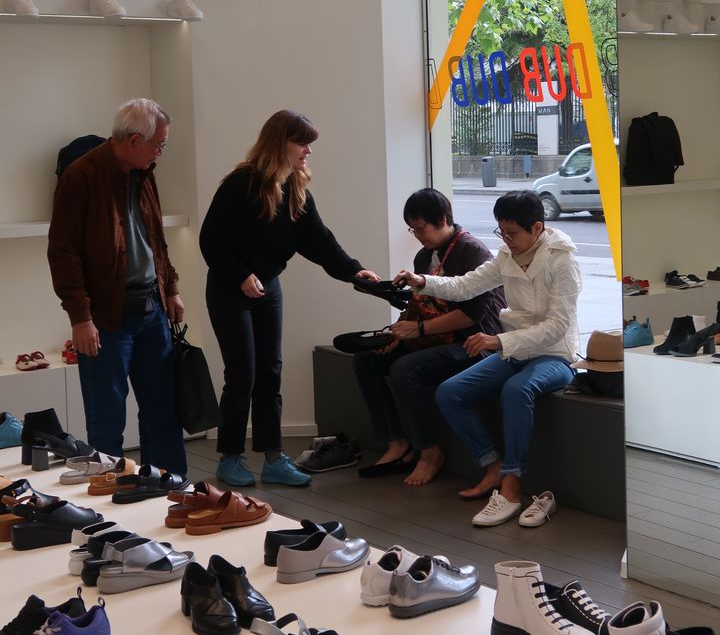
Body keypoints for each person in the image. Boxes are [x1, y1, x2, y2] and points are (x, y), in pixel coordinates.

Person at [199, 109, 378, 488]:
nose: (308, 151)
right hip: (230, 289)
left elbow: (320, 242)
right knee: (242, 374)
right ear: (280, 143)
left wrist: (354, 271)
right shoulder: (240, 184)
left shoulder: (296, 190)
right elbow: (210, 240)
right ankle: (230, 458)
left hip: (267, 288)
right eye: (302, 143)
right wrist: (241, 275)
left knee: (270, 372)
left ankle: (273, 458)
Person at [395, 190, 580, 526]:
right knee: (450, 392)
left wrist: (498, 341)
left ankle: (511, 486)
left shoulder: (562, 261)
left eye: (512, 233)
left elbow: (557, 327)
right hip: (514, 350)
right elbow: (464, 286)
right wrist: (422, 281)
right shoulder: (507, 255)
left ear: (537, 228)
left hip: (554, 356)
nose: (505, 239)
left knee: (516, 389)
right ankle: (492, 465)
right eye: (501, 231)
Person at [47, 98, 187, 475]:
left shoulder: (144, 173)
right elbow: (62, 253)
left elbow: (155, 237)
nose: (160, 152)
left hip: (152, 309)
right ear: (134, 140)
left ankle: (170, 488)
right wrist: (80, 318)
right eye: (159, 144)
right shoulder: (80, 176)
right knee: (107, 422)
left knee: (163, 412)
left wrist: (171, 287)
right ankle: (107, 497)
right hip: (106, 318)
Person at [354, 188, 505, 486]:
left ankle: (429, 451)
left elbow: (471, 315)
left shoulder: (472, 251)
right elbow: (418, 306)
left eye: (420, 228)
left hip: (475, 341)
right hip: (439, 338)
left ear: (443, 220)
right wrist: (399, 332)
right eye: (413, 229)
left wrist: (419, 330)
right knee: (366, 361)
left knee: (405, 368)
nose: (417, 235)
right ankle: (396, 442)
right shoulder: (424, 256)